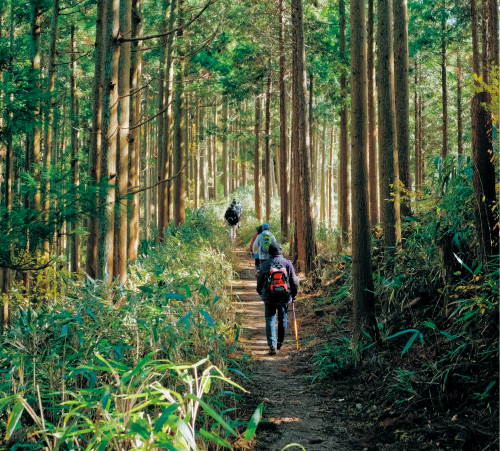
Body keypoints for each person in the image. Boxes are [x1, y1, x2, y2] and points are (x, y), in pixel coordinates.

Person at [256, 242, 298, 355]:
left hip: (269, 296)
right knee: (282, 318)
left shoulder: (265, 264)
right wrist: (293, 294)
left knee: (270, 319)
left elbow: (260, 279)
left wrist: (259, 291)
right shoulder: (287, 263)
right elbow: (294, 281)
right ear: (281, 251)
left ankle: (272, 344)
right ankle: (280, 342)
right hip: (284, 296)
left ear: (269, 251)